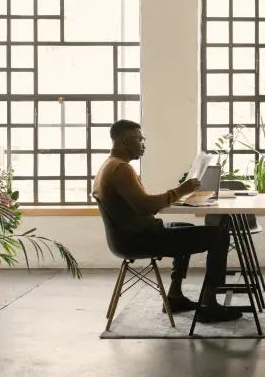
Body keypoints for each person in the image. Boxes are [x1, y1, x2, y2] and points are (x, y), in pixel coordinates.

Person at [92, 120, 242, 323]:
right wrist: (181, 190)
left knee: (185, 228)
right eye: (140, 139)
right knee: (219, 234)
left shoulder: (110, 165)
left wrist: (177, 195)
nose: (143, 144)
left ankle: (174, 297)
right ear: (126, 141)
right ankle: (209, 304)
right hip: (140, 239)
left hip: (128, 238)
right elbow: (146, 206)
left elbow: (140, 204)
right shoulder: (121, 169)